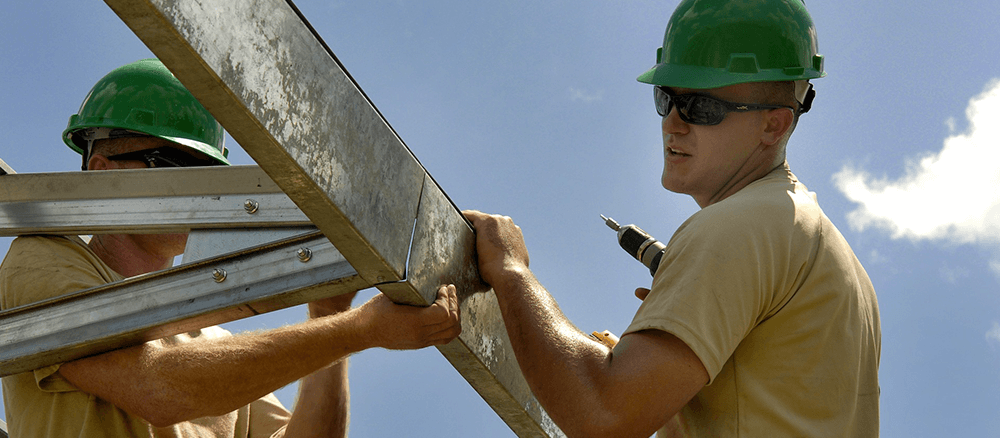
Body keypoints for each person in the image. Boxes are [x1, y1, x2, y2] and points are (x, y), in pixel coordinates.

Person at [464, 0, 880, 437]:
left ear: (774, 126)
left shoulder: (739, 227)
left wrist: (511, 272)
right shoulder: (825, 252)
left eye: (701, 107)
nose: (673, 124)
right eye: (667, 99)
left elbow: (604, 417)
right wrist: (658, 371)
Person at [0, 58, 462, 438]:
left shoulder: (212, 342)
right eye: (175, 164)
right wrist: (358, 331)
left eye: (209, 172)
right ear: (103, 172)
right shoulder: (44, 259)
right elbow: (156, 386)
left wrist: (328, 317)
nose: (199, 190)